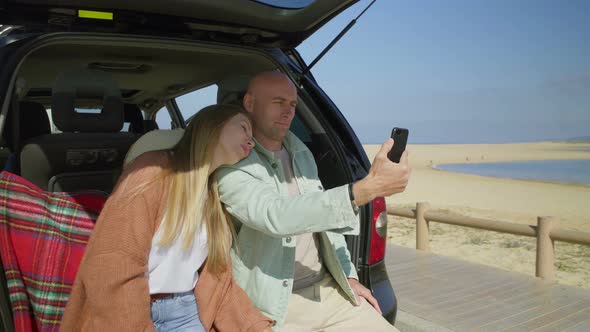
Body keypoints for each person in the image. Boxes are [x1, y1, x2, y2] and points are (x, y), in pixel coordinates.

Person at [216, 71, 410, 331]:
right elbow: (275, 216)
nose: (288, 112)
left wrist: (349, 275)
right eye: (278, 102)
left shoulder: (300, 151)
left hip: (327, 291)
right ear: (250, 103)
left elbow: (324, 225)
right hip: (273, 305)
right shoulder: (231, 161)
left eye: (293, 104)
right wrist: (365, 189)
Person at [60, 104, 274, 332]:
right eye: (244, 128)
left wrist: (256, 327)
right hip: (128, 310)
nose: (251, 141)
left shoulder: (214, 197)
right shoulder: (151, 171)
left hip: (185, 311)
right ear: (212, 126)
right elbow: (114, 266)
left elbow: (220, 283)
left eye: (252, 136)